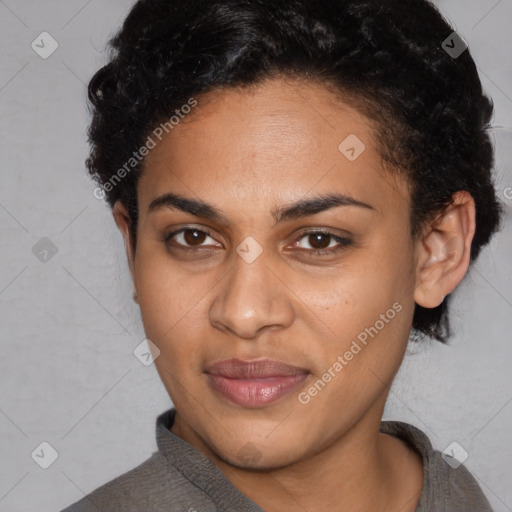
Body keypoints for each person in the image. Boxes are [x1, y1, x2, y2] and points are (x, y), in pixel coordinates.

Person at [62, 0, 504, 510]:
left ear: (436, 250)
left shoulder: (452, 493)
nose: (244, 313)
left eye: (318, 240)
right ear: (133, 247)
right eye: (192, 237)